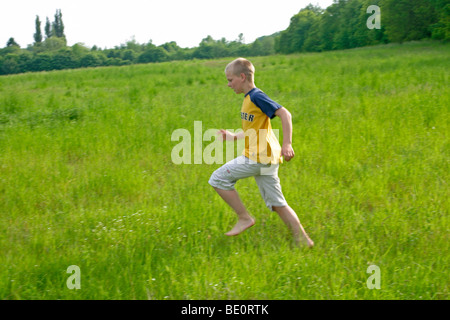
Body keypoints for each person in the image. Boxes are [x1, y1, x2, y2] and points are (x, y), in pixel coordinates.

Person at [208, 58, 314, 248]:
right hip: (266, 158)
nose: (228, 84)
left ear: (242, 77)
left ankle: (244, 217)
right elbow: (254, 128)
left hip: (259, 157)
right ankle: (303, 240)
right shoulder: (248, 100)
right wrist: (233, 137)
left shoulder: (257, 96)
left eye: (230, 80)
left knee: (217, 179)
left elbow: (285, 114)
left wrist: (287, 144)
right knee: (277, 203)